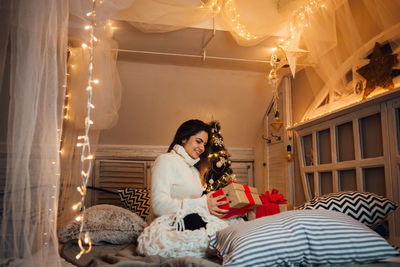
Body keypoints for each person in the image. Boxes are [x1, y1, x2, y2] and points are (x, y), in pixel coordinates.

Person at [151, 119, 229, 218]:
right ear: (184, 138)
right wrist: (203, 203)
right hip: (169, 225)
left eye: (204, 144)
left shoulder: (195, 170)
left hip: (192, 222)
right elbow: (158, 206)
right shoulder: (166, 160)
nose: (202, 148)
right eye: (198, 141)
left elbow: (196, 206)